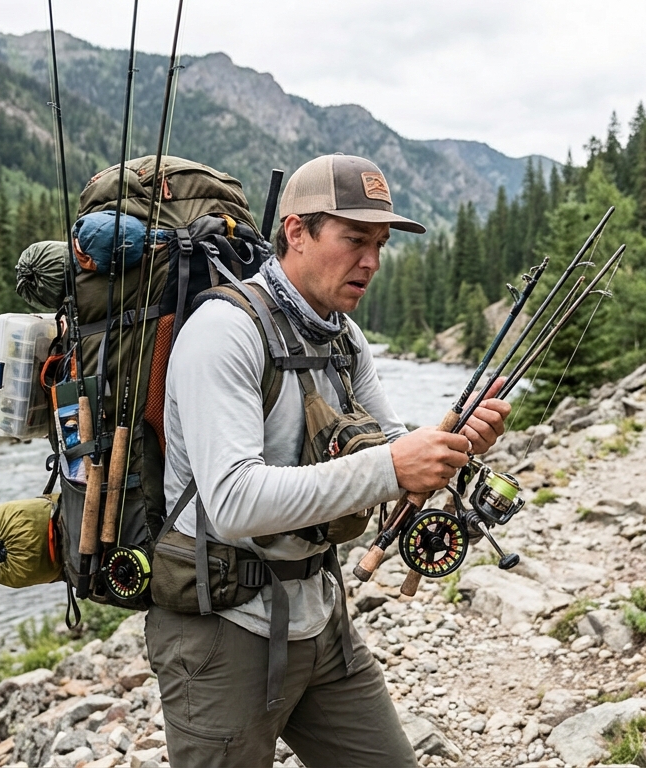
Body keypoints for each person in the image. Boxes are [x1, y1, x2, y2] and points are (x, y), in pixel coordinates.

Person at [148, 153, 511, 767]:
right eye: (354, 240)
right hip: (222, 631)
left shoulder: (343, 335)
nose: (370, 261)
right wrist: (396, 465)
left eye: (380, 244)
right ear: (295, 231)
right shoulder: (224, 331)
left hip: (321, 615)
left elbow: (393, 453)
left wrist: (452, 443)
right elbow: (234, 503)